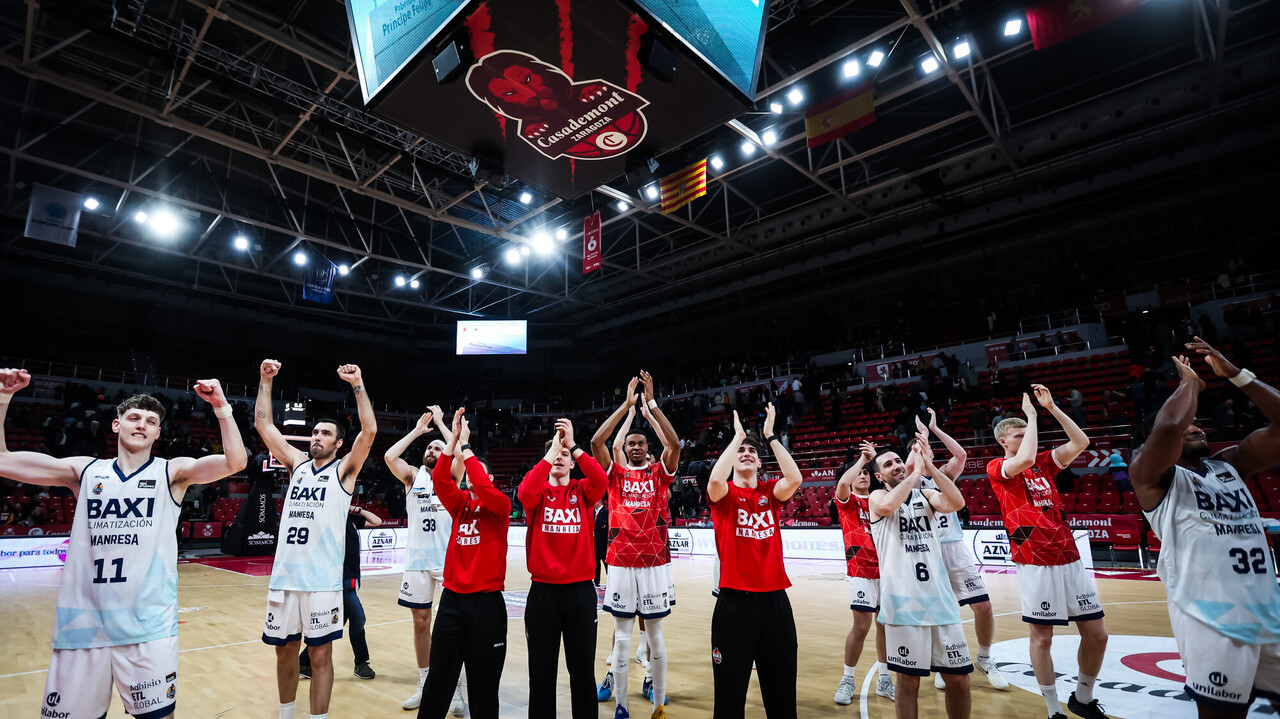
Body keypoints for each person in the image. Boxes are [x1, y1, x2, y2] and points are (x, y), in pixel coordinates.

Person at [0, 367, 246, 719]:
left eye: (150, 420)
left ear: (158, 433)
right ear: (117, 425)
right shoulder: (83, 471)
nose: (141, 424)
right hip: (83, 627)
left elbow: (235, 462)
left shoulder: (171, 472)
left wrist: (222, 406)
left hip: (148, 627)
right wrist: (3, 396)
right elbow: (3, 461)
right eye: (133, 417)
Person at [1130, 339, 1280, 717]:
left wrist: (1238, 376)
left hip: (1268, 612)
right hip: (1212, 620)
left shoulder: (1232, 465)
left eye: (1198, 423)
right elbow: (1167, 426)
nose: (1195, 427)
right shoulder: (1152, 477)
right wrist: (1190, 385)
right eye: (1189, 424)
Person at [255, 360, 377, 719]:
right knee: (285, 651)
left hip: (323, 582)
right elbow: (264, 423)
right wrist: (265, 380)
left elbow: (368, 431)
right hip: (286, 578)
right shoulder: (296, 464)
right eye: (315, 433)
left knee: (321, 655)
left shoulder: (344, 470)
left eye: (325, 434)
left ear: (339, 443)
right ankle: (286, 715)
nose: (316, 438)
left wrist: (357, 383)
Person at [988, 386, 1107, 719]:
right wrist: (1031, 415)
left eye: (1029, 432)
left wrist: (1052, 408)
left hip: (1069, 556)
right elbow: (1023, 458)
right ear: (1004, 441)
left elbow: (1081, 442)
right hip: (1034, 560)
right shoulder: (998, 467)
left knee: (1097, 634)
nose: (1028, 437)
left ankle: (1082, 698)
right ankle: (1054, 710)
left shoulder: (1044, 463)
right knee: (1042, 638)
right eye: (1021, 434)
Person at [590, 372, 680, 719]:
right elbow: (599, 441)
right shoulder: (615, 475)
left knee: (655, 639)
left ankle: (657, 705)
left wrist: (652, 405)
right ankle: (622, 707)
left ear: (647, 449)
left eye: (642, 444)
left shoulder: (660, 472)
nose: (637, 447)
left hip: (655, 563)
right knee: (623, 640)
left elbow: (674, 445)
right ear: (625, 449)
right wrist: (627, 406)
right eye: (632, 444)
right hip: (621, 562)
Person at [707, 405, 802, 718]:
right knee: (729, 698)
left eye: (752, 451)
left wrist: (770, 437)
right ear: (733, 457)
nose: (746, 453)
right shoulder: (725, 495)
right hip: (734, 602)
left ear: (761, 462)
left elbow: (795, 477)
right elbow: (714, 481)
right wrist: (736, 439)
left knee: (782, 696)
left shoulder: (770, 493)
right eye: (741, 451)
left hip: (775, 601)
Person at [869, 438, 971, 719]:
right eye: (888, 464)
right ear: (879, 476)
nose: (896, 465)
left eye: (899, 460)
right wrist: (915, 473)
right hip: (903, 606)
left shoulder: (926, 495)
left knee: (960, 680)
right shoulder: (875, 497)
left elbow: (956, 502)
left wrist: (930, 468)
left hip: (941, 602)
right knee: (908, 682)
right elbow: (889, 504)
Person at [417, 409, 510, 719]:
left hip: (487, 603)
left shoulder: (500, 505)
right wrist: (453, 440)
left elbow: (483, 487)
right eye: (469, 472)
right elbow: (441, 478)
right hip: (453, 601)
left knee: (484, 688)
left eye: (476, 471)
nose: (470, 475)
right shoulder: (459, 504)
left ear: (490, 477)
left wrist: (467, 447)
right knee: (438, 682)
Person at [913, 410, 1009, 692]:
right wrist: (919, 450)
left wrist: (934, 430)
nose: (923, 451)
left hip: (955, 548)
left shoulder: (942, 475)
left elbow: (962, 455)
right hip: (929, 554)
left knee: (984, 607)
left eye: (925, 448)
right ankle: (945, 662)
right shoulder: (906, 485)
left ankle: (985, 658)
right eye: (918, 449)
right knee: (942, 613)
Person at [519, 418, 609, 718]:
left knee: (582, 673)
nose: (559, 456)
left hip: (581, 592)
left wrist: (574, 446)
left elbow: (602, 481)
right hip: (543, 592)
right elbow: (524, 492)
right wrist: (552, 452)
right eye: (553, 452)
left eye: (564, 455)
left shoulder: (583, 491)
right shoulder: (537, 494)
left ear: (572, 463)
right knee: (541, 675)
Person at [383, 407, 466, 713]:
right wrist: (418, 431)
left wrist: (446, 429)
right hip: (417, 562)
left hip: (449, 561)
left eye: (437, 448)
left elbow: (459, 454)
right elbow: (390, 457)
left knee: (452, 625)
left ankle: (455, 688)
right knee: (420, 622)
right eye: (429, 448)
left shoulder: (453, 477)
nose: (432, 451)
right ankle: (425, 682)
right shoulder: (413, 477)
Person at [832, 440, 896, 705]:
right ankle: (847, 679)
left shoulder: (881, 499)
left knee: (886, 627)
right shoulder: (847, 501)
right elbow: (843, 484)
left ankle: (884, 679)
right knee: (862, 626)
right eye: (859, 472)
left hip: (889, 571)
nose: (863, 475)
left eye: (867, 473)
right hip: (861, 570)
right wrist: (862, 461)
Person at [299, 504, 382, 681]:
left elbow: (377, 521)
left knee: (335, 623)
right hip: (339, 581)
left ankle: (304, 662)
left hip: (351, 578)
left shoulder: (350, 519)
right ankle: (361, 664)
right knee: (358, 619)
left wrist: (356, 510)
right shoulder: (328, 520)